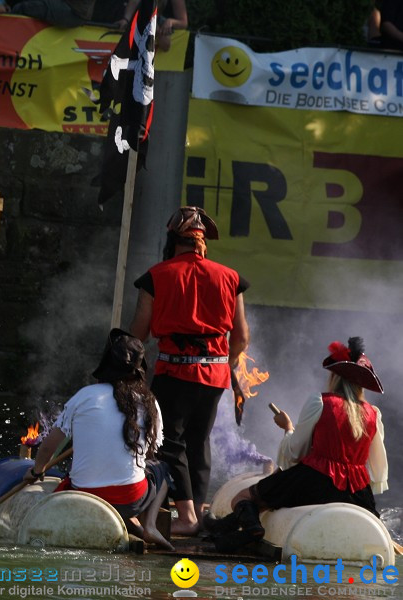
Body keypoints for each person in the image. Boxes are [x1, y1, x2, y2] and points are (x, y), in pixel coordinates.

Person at [129, 206, 250, 535]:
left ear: (173, 241)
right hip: (215, 376)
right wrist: (228, 362)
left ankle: (187, 518)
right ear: (202, 243)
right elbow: (241, 338)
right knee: (200, 442)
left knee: (171, 442)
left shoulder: (156, 276)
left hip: (174, 373)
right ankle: (195, 511)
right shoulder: (230, 278)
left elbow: (137, 334)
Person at [204, 338, 387, 551]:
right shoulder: (374, 414)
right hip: (357, 491)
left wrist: (287, 427)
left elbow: (295, 451)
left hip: (314, 480)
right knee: (270, 496)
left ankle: (252, 531)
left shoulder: (320, 402)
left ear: (335, 376)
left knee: (244, 497)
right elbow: (378, 468)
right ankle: (226, 528)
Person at [23, 329, 173, 549]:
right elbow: (148, 453)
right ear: (139, 369)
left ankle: (136, 526)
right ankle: (148, 525)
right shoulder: (149, 402)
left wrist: (37, 470)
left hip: (83, 497)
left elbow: (48, 446)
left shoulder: (84, 396)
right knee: (162, 469)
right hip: (130, 501)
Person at [118, 0, 187, 51]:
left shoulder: (161, 21)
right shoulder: (140, 15)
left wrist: (160, 30)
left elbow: (166, 46)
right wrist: (126, 20)